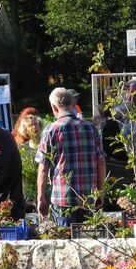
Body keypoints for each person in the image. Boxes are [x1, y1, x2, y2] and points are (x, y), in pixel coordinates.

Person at [36, 87, 106, 226]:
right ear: (72, 105)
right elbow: (101, 162)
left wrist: (41, 197)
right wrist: (101, 192)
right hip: (88, 198)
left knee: (66, 243)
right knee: (89, 243)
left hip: (63, 199)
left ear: (54, 107)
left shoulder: (51, 131)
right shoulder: (90, 128)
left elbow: (43, 168)